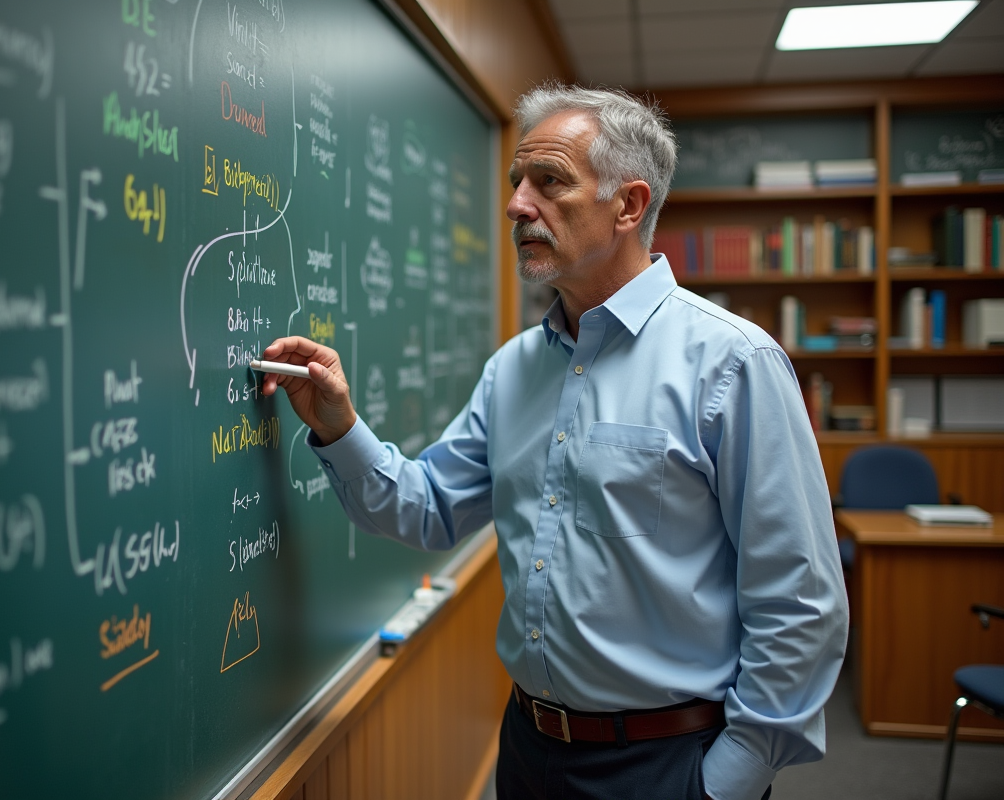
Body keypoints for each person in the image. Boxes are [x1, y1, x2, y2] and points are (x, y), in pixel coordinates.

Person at [257, 83, 848, 800]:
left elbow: (800, 601)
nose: (516, 205)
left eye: (549, 181)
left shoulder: (732, 363)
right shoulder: (513, 370)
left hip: (668, 764)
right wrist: (337, 424)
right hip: (529, 751)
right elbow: (428, 509)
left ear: (628, 206)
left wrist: (728, 779)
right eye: (516, 182)